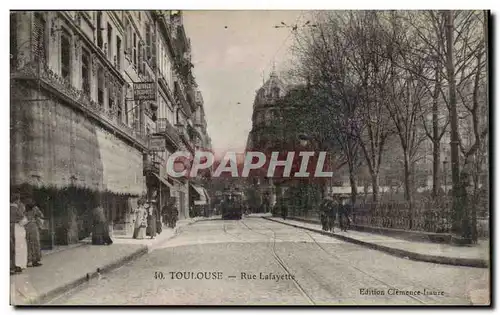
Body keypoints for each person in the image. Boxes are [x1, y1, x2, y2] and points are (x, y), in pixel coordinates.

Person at [10, 192, 28, 273]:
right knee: (17, 247)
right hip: (15, 228)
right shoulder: (16, 209)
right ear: (16, 200)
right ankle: (15, 266)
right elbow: (23, 219)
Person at [24, 199, 44, 267]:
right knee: (35, 243)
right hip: (33, 226)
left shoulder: (24, 208)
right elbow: (41, 215)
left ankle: (28, 260)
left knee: (28, 243)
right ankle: (35, 260)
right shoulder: (35, 208)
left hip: (26, 226)